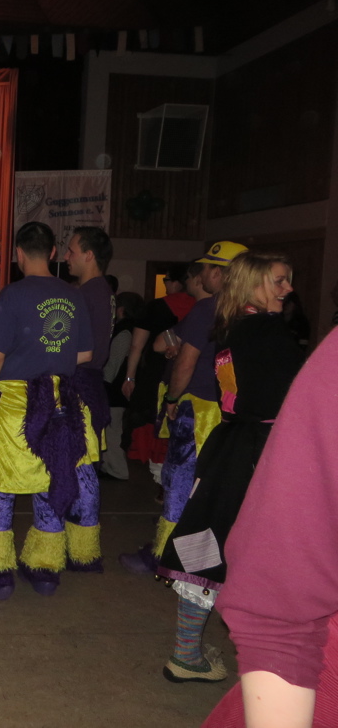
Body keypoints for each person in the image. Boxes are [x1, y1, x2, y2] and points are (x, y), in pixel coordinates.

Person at [156, 253, 303, 684]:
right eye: (279, 281)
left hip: (232, 446)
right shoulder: (267, 331)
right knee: (272, 556)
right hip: (262, 452)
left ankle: (187, 652)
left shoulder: (231, 326)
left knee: (209, 544)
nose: (288, 289)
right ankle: (271, 662)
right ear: (252, 285)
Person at [199, 334, 338, 728]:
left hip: (246, 444)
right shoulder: (253, 338)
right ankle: (186, 649)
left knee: (203, 549)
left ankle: (185, 648)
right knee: (205, 551)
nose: (285, 297)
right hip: (251, 449)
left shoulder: (242, 338)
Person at [0, 222, 95, 600]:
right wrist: (51, 361)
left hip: (15, 403)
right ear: (52, 252)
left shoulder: (14, 294)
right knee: (50, 480)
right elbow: (85, 353)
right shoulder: (73, 295)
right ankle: (45, 570)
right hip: (58, 400)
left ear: (18, 253)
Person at [121, 241, 248, 574]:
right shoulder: (252, 310)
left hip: (198, 410)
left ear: (219, 273)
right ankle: (208, 555)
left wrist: (172, 399)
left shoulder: (208, 308)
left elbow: (185, 361)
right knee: (214, 488)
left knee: (179, 482)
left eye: (206, 268)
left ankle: (165, 555)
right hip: (234, 415)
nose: (201, 274)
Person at [63, 225, 114, 571]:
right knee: (80, 467)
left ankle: (83, 551)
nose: (67, 256)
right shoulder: (97, 289)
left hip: (81, 384)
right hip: (88, 383)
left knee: (81, 469)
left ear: (89, 255)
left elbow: (88, 352)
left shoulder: (90, 292)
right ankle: (79, 546)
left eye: (71, 250)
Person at [121, 263, 196, 489]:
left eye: (166, 280)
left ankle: (163, 482)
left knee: (157, 426)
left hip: (157, 377)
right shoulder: (202, 307)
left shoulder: (156, 307)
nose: (165, 285)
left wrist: (130, 378)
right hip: (191, 375)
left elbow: (136, 346)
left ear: (178, 282)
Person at [99, 291, 145, 481]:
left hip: (114, 391)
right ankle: (110, 467)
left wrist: (102, 384)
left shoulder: (124, 331)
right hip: (117, 390)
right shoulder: (132, 329)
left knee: (113, 432)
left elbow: (114, 363)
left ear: (121, 309)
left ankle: (118, 470)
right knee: (112, 431)